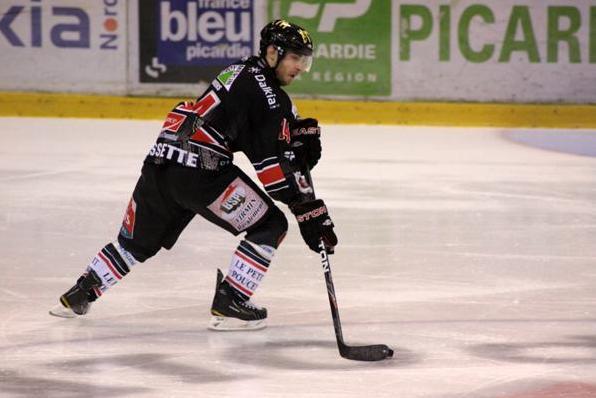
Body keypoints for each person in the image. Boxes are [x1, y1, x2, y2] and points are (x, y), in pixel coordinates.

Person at [49, 19, 338, 331]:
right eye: (295, 57)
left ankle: (80, 294)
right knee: (270, 225)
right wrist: (306, 209)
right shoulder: (271, 97)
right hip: (201, 172)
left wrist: (291, 138)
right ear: (272, 53)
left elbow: (261, 124)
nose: (300, 67)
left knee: (134, 244)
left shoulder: (240, 70)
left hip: (162, 160)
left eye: (304, 60)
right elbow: (274, 172)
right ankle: (232, 301)